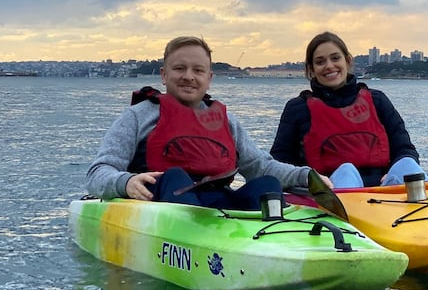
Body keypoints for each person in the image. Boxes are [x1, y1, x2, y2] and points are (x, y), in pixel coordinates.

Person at [86, 35, 330, 210]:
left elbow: (261, 167)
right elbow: (98, 173)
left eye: (198, 70)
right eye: (179, 68)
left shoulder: (226, 121)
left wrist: (306, 176)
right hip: (161, 210)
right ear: (163, 75)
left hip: (214, 208)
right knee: (176, 178)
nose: (189, 76)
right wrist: (125, 182)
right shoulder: (139, 116)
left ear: (209, 78)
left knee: (267, 185)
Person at [271, 31, 428, 189]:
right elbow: (280, 163)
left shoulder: (377, 100)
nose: (329, 66)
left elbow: (404, 148)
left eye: (335, 58)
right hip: (332, 192)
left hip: (384, 190)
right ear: (311, 69)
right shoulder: (298, 109)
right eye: (320, 62)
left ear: (347, 61)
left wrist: (393, 174)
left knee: (408, 164)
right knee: (347, 171)